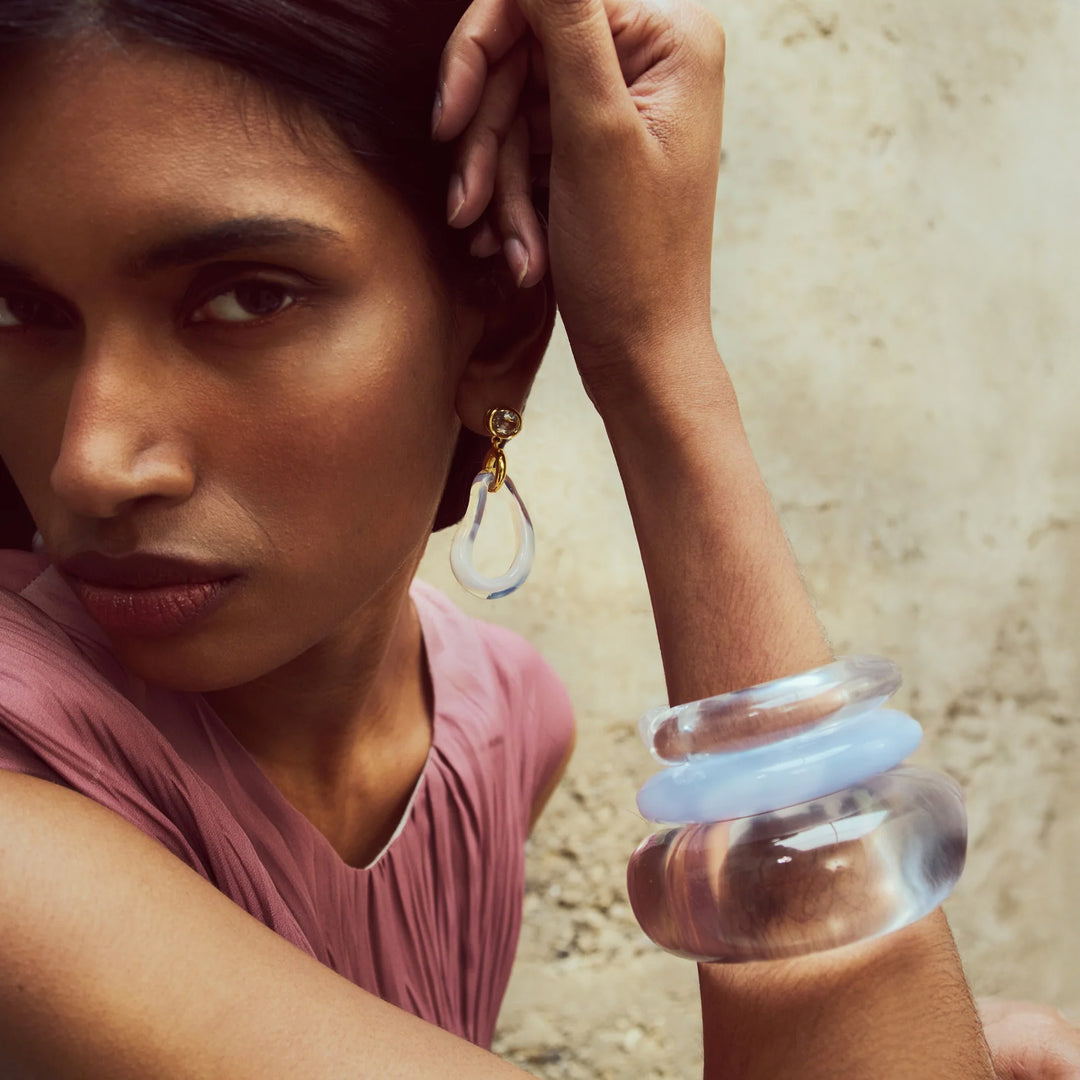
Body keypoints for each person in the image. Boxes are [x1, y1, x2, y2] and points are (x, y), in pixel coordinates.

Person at [0, 0, 1074, 1075]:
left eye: (245, 298)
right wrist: (658, 363)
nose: (89, 464)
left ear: (497, 341)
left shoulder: (502, 723)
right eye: (17, 311)